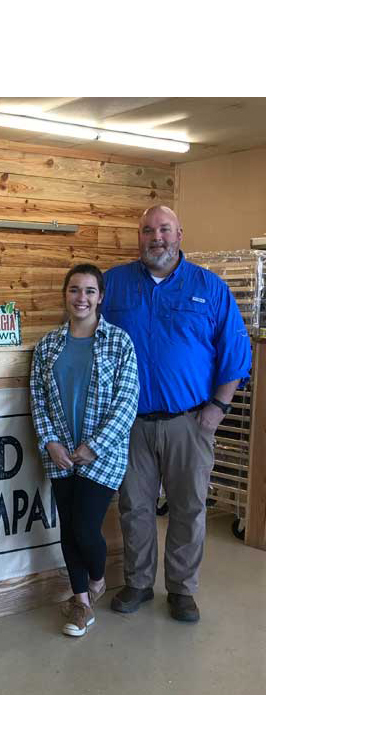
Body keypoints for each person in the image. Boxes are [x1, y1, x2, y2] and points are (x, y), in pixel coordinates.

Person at [101, 205, 252, 623]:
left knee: (188, 508)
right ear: (139, 238)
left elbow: (236, 354)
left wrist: (217, 411)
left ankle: (183, 590)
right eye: (148, 230)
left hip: (191, 422)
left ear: (180, 233)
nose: (156, 238)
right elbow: (89, 338)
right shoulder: (114, 285)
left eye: (164, 229)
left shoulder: (210, 287)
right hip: (130, 424)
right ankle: (138, 583)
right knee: (135, 508)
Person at [30, 263, 139, 637]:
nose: (82, 298)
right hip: (60, 455)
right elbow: (38, 400)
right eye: (75, 289)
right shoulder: (48, 346)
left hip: (102, 456)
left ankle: (96, 578)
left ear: (101, 297)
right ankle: (81, 602)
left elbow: (127, 402)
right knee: (67, 528)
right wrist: (51, 442)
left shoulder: (119, 342)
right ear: (65, 294)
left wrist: (94, 447)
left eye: (90, 291)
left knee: (85, 527)